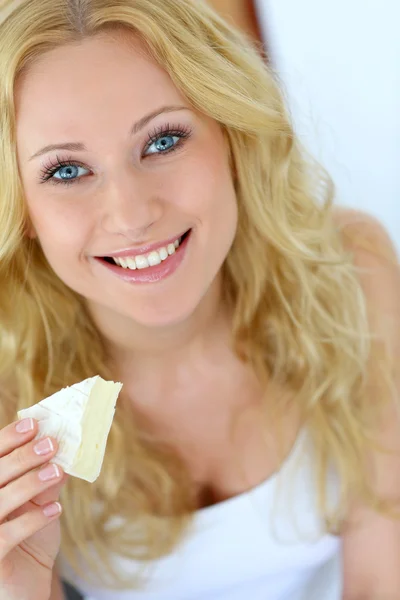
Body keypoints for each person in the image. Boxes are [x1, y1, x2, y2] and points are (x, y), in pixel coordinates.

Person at [0, 1, 399, 599]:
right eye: (65, 172)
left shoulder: (348, 269)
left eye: (162, 140)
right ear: (21, 209)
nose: (132, 216)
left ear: (232, 135)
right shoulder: (8, 379)